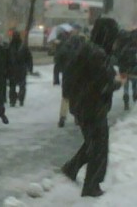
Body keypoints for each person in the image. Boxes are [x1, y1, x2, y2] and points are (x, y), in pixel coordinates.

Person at [61, 17, 123, 197]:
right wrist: (117, 82)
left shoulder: (87, 49)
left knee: (93, 143)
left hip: (83, 104)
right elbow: (103, 82)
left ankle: (72, 168)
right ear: (107, 36)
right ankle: (91, 186)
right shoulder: (96, 54)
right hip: (92, 106)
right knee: (99, 147)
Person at [54, 30, 84, 127]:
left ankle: (62, 117)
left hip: (67, 77)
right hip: (79, 78)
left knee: (65, 98)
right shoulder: (82, 52)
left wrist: (56, 78)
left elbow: (57, 64)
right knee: (78, 98)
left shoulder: (64, 50)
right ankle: (77, 117)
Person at [7, 30, 33, 107]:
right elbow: (29, 58)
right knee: (22, 85)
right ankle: (21, 99)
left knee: (12, 86)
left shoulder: (10, 46)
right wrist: (30, 68)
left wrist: (5, 69)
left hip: (12, 69)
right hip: (22, 69)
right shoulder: (24, 47)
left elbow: (6, 58)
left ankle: (12, 100)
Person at [115, 30, 137, 110]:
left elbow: (116, 58)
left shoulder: (119, 46)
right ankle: (135, 100)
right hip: (133, 68)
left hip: (123, 68)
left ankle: (126, 101)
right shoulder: (134, 46)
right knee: (135, 86)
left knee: (126, 87)